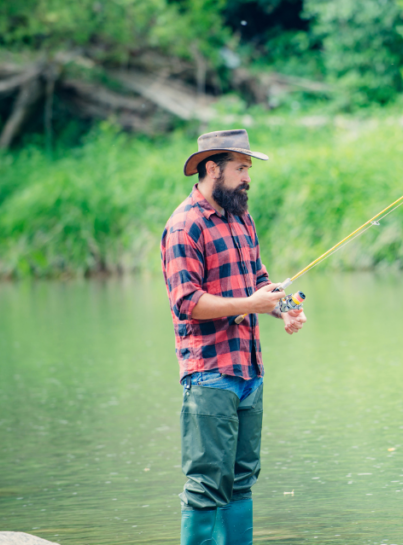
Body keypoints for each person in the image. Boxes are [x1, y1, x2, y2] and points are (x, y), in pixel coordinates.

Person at [160, 129, 307, 545]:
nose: (248, 178)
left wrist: (284, 308)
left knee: (242, 482)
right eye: (241, 168)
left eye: (249, 169)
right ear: (212, 168)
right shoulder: (183, 226)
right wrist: (250, 303)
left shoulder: (242, 218)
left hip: (249, 372)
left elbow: (258, 282)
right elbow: (186, 302)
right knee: (207, 486)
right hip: (208, 375)